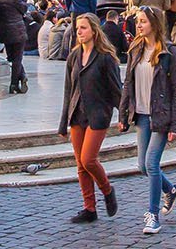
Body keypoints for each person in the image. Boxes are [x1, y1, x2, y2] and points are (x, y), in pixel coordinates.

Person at [119, 6, 176, 236]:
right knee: (142, 166)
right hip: (141, 114)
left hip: (161, 115)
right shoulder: (135, 49)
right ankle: (171, 189)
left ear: (154, 24)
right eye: (138, 21)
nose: (138, 25)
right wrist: (123, 114)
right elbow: (128, 83)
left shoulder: (169, 53)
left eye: (143, 21)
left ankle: (153, 215)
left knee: (151, 164)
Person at [57, 11, 121, 224]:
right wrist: (63, 122)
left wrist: (125, 115)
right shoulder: (74, 56)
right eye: (77, 29)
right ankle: (89, 208)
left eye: (83, 28)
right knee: (80, 165)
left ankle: (107, 190)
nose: (79, 32)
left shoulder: (105, 57)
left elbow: (116, 89)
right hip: (77, 114)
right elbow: (68, 90)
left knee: (88, 159)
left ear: (94, 30)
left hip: (98, 114)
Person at [0, 0, 31, 94]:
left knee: (11, 57)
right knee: (17, 59)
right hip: (18, 30)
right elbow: (24, 9)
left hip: (5, 31)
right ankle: (14, 83)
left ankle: (22, 77)